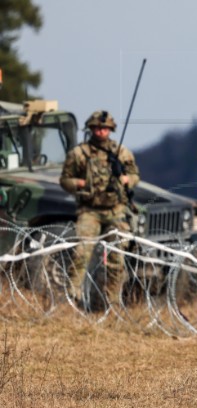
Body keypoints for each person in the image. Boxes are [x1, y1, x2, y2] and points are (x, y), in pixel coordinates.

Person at [60, 110, 140, 309]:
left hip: (116, 210)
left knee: (116, 258)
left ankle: (111, 301)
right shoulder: (79, 154)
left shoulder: (121, 153)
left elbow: (135, 175)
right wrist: (78, 183)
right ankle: (73, 296)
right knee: (81, 253)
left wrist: (127, 179)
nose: (101, 132)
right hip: (89, 211)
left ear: (110, 130)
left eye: (104, 128)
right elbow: (64, 180)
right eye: (97, 128)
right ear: (91, 129)